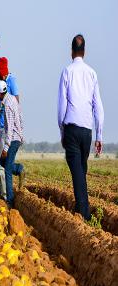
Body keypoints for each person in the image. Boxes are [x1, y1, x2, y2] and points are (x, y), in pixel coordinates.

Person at [58, 34, 104, 221]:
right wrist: (99, 135)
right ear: (84, 51)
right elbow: (98, 106)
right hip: (87, 130)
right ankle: (82, 210)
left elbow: (62, 106)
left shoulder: (67, 71)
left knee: (78, 173)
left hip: (72, 128)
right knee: (81, 171)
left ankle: (83, 216)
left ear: (71, 51)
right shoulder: (91, 73)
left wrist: (62, 131)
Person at [0, 80, 24, 208]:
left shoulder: (7, 104)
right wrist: (22, 133)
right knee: (3, 162)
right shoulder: (13, 99)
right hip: (17, 137)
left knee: (7, 168)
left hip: (13, 139)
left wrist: (6, 147)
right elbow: (20, 117)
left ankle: (10, 201)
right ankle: (19, 169)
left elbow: (9, 127)